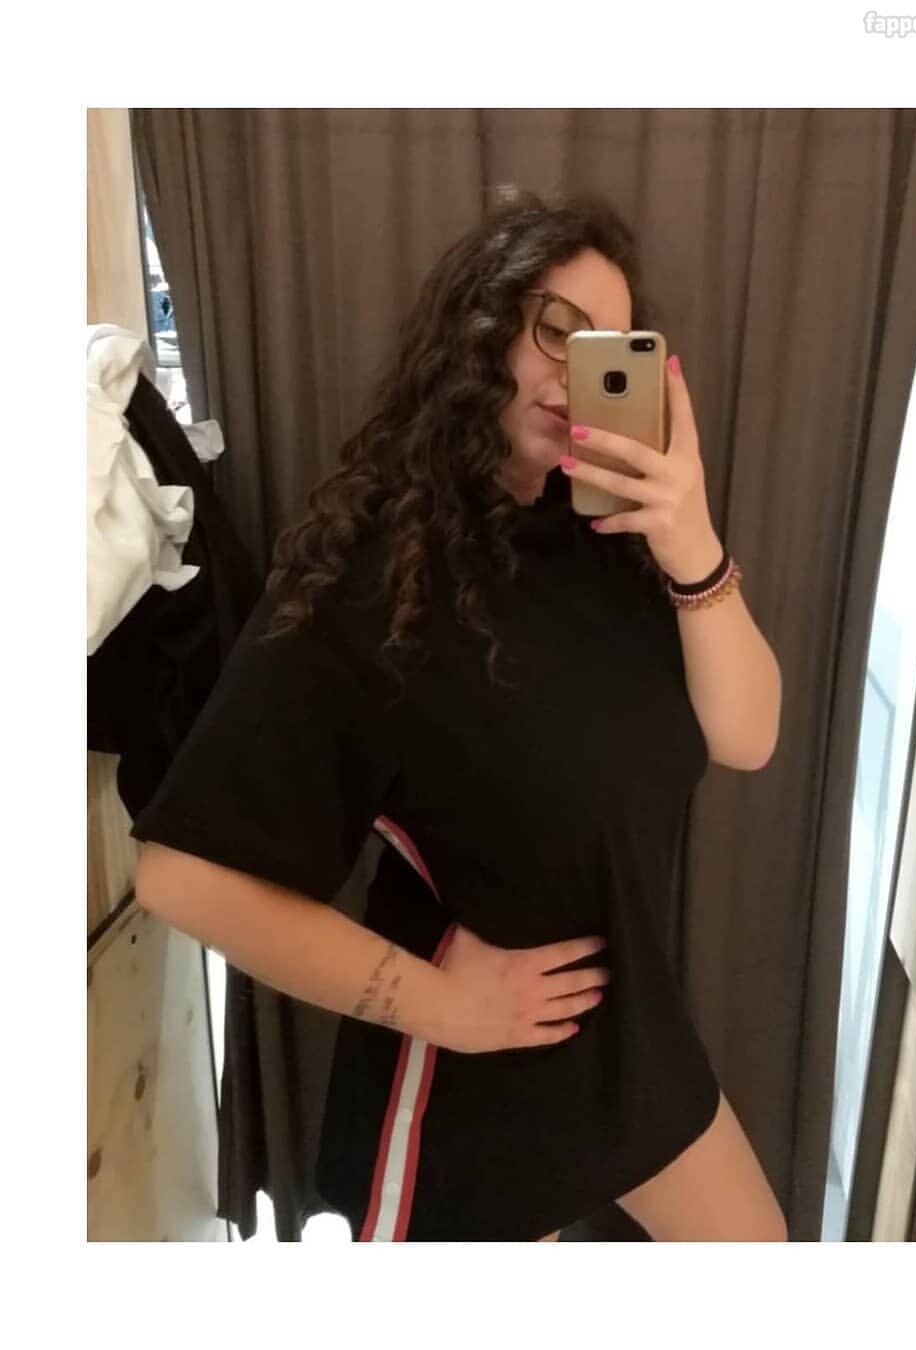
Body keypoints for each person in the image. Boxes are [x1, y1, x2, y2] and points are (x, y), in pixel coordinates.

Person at [131, 187, 787, 1243]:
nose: (577, 372)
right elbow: (181, 876)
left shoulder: (622, 544)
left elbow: (747, 737)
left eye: (608, 349)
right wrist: (439, 1007)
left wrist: (694, 542)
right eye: (556, 330)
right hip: (470, 1086)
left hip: (633, 1037)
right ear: (479, 329)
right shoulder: (376, 584)